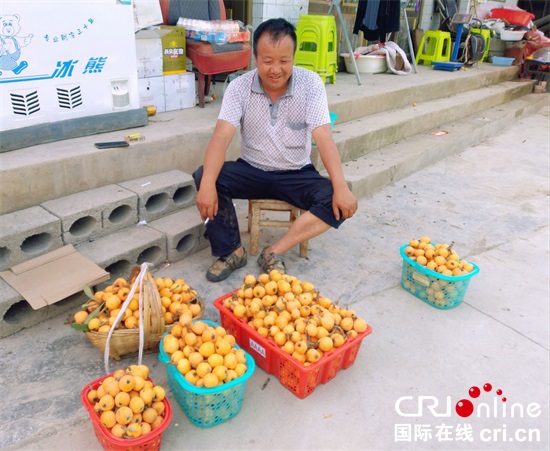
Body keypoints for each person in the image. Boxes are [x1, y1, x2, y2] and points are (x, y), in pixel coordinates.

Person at [193, 18, 358, 282]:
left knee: (337, 199)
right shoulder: (238, 88)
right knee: (206, 177)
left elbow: (323, 137)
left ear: (294, 57)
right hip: (252, 169)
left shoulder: (311, 84)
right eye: (267, 61)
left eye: (284, 61)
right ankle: (231, 251)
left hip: (296, 173)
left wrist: (341, 186)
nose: (276, 69)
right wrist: (207, 185)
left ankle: (274, 251)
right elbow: (221, 137)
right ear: (255, 57)